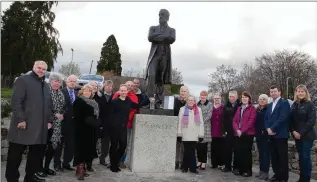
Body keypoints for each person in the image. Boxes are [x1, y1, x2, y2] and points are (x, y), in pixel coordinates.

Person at [6, 60, 53, 182]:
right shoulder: (23, 80)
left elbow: (48, 105)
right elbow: (16, 102)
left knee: (35, 159)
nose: (41, 70)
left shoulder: (46, 86)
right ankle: (12, 179)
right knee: (14, 157)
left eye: (44, 69)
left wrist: (49, 120)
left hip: (39, 128)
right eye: (39, 67)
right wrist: (21, 119)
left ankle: (30, 179)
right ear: (33, 67)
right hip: (23, 126)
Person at [37, 72, 66, 178]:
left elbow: (63, 107)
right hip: (45, 123)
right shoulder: (45, 91)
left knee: (52, 148)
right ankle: (38, 169)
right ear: (50, 81)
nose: (57, 83)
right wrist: (54, 114)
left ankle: (46, 167)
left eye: (59, 81)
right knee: (42, 147)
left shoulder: (61, 93)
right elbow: (43, 107)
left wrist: (62, 114)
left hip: (57, 125)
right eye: (55, 81)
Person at [109, 84, 139, 172]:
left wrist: (148, 100)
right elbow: (110, 115)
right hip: (114, 127)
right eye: (121, 90)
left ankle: (115, 162)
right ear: (119, 91)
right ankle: (113, 165)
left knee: (123, 146)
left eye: (125, 91)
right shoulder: (115, 101)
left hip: (123, 128)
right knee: (114, 146)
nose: (123, 92)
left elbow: (136, 105)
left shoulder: (128, 101)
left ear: (127, 91)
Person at [73, 84, 100, 180]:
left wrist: (95, 122)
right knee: (81, 149)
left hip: (90, 129)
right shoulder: (79, 101)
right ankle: (80, 170)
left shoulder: (93, 102)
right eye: (85, 91)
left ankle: (81, 169)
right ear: (82, 92)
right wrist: (90, 120)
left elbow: (96, 115)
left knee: (87, 149)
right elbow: (77, 115)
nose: (87, 93)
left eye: (89, 91)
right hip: (81, 129)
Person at [290, 84, 316, 182]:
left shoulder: (310, 104)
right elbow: (290, 120)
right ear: (296, 93)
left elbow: (311, 121)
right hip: (297, 135)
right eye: (298, 91)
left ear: (305, 93)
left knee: (305, 157)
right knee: (301, 157)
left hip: (307, 135)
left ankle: (306, 179)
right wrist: (293, 131)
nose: (300, 93)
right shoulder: (294, 104)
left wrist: (300, 133)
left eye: (302, 91)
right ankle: (302, 178)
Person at [265, 85, 291, 182]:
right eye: (271, 92)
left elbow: (283, 118)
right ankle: (277, 175)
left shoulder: (284, 103)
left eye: (275, 91)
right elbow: (266, 118)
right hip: (271, 135)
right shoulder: (270, 104)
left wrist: (272, 128)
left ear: (279, 92)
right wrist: (267, 128)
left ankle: (284, 178)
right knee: (274, 157)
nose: (273, 93)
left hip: (281, 135)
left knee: (282, 157)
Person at [54, 74, 78, 171]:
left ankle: (66, 163)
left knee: (70, 145)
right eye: (70, 81)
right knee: (59, 145)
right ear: (66, 82)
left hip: (73, 124)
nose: (72, 83)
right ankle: (57, 164)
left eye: (74, 81)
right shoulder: (61, 92)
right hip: (62, 123)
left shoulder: (77, 93)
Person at [177, 95, 204, 174]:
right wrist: (179, 134)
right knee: (187, 151)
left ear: (194, 101)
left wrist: (201, 135)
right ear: (187, 101)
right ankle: (187, 167)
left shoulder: (198, 109)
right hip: (185, 133)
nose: (190, 101)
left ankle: (191, 168)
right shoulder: (182, 109)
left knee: (192, 151)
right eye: (189, 100)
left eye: (192, 100)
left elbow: (201, 123)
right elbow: (179, 122)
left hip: (194, 134)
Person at [232, 91, 256, 177]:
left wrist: (242, 130)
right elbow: (234, 121)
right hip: (238, 133)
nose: (244, 99)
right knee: (239, 152)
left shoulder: (252, 108)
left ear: (249, 99)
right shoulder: (239, 108)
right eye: (243, 97)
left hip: (248, 134)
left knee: (246, 153)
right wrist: (237, 130)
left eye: (246, 97)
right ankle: (240, 170)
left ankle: (248, 171)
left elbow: (251, 121)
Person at [221, 90, 240, 173]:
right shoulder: (226, 105)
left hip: (237, 130)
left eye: (233, 96)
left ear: (236, 97)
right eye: (230, 96)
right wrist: (223, 130)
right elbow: (223, 119)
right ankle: (227, 166)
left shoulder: (240, 105)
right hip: (228, 130)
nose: (231, 98)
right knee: (227, 149)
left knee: (237, 149)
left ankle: (236, 167)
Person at [98, 80, 115, 166]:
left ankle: (103, 158)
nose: (108, 87)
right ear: (104, 87)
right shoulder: (100, 97)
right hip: (100, 122)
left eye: (110, 86)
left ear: (112, 88)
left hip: (110, 123)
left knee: (106, 142)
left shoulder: (115, 97)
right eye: (107, 86)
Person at [255, 94, 270, 180]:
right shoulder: (257, 110)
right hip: (258, 134)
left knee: (265, 154)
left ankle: (265, 172)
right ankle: (261, 170)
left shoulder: (268, 109)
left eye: (264, 99)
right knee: (261, 153)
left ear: (266, 100)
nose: (262, 100)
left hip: (265, 135)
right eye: (260, 99)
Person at [196, 91, 212, 170]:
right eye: (202, 95)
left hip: (205, 127)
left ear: (206, 96)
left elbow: (209, 115)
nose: (203, 97)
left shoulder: (209, 104)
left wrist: (201, 121)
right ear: (200, 96)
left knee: (204, 146)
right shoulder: (197, 104)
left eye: (204, 96)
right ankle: (199, 161)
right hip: (198, 127)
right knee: (198, 145)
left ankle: (204, 162)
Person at [174, 86, 189, 169]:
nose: (183, 93)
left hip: (186, 127)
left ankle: (182, 162)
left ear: (187, 92)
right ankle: (176, 162)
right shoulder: (175, 101)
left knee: (184, 146)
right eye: (182, 91)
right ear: (180, 92)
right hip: (176, 125)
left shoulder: (190, 102)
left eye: (185, 91)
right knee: (177, 145)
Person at [210, 93, 225, 169]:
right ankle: (214, 163)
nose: (216, 100)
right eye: (215, 98)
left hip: (221, 131)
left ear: (220, 99)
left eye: (218, 98)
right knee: (214, 148)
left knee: (221, 148)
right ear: (213, 99)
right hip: (213, 131)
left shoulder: (223, 107)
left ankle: (221, 163)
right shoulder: (211, 107)